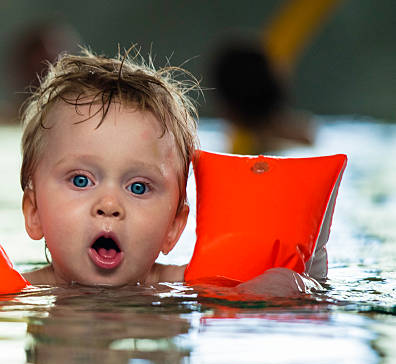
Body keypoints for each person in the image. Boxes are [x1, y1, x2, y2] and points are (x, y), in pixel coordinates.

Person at [18, 47, 321, 296]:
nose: (108, 206)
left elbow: (272, 294)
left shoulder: (188, 288)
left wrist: (298, 286)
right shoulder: (15, 292)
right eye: (81, 180)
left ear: (174, 228)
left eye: (138, 187)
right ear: (34, 212)